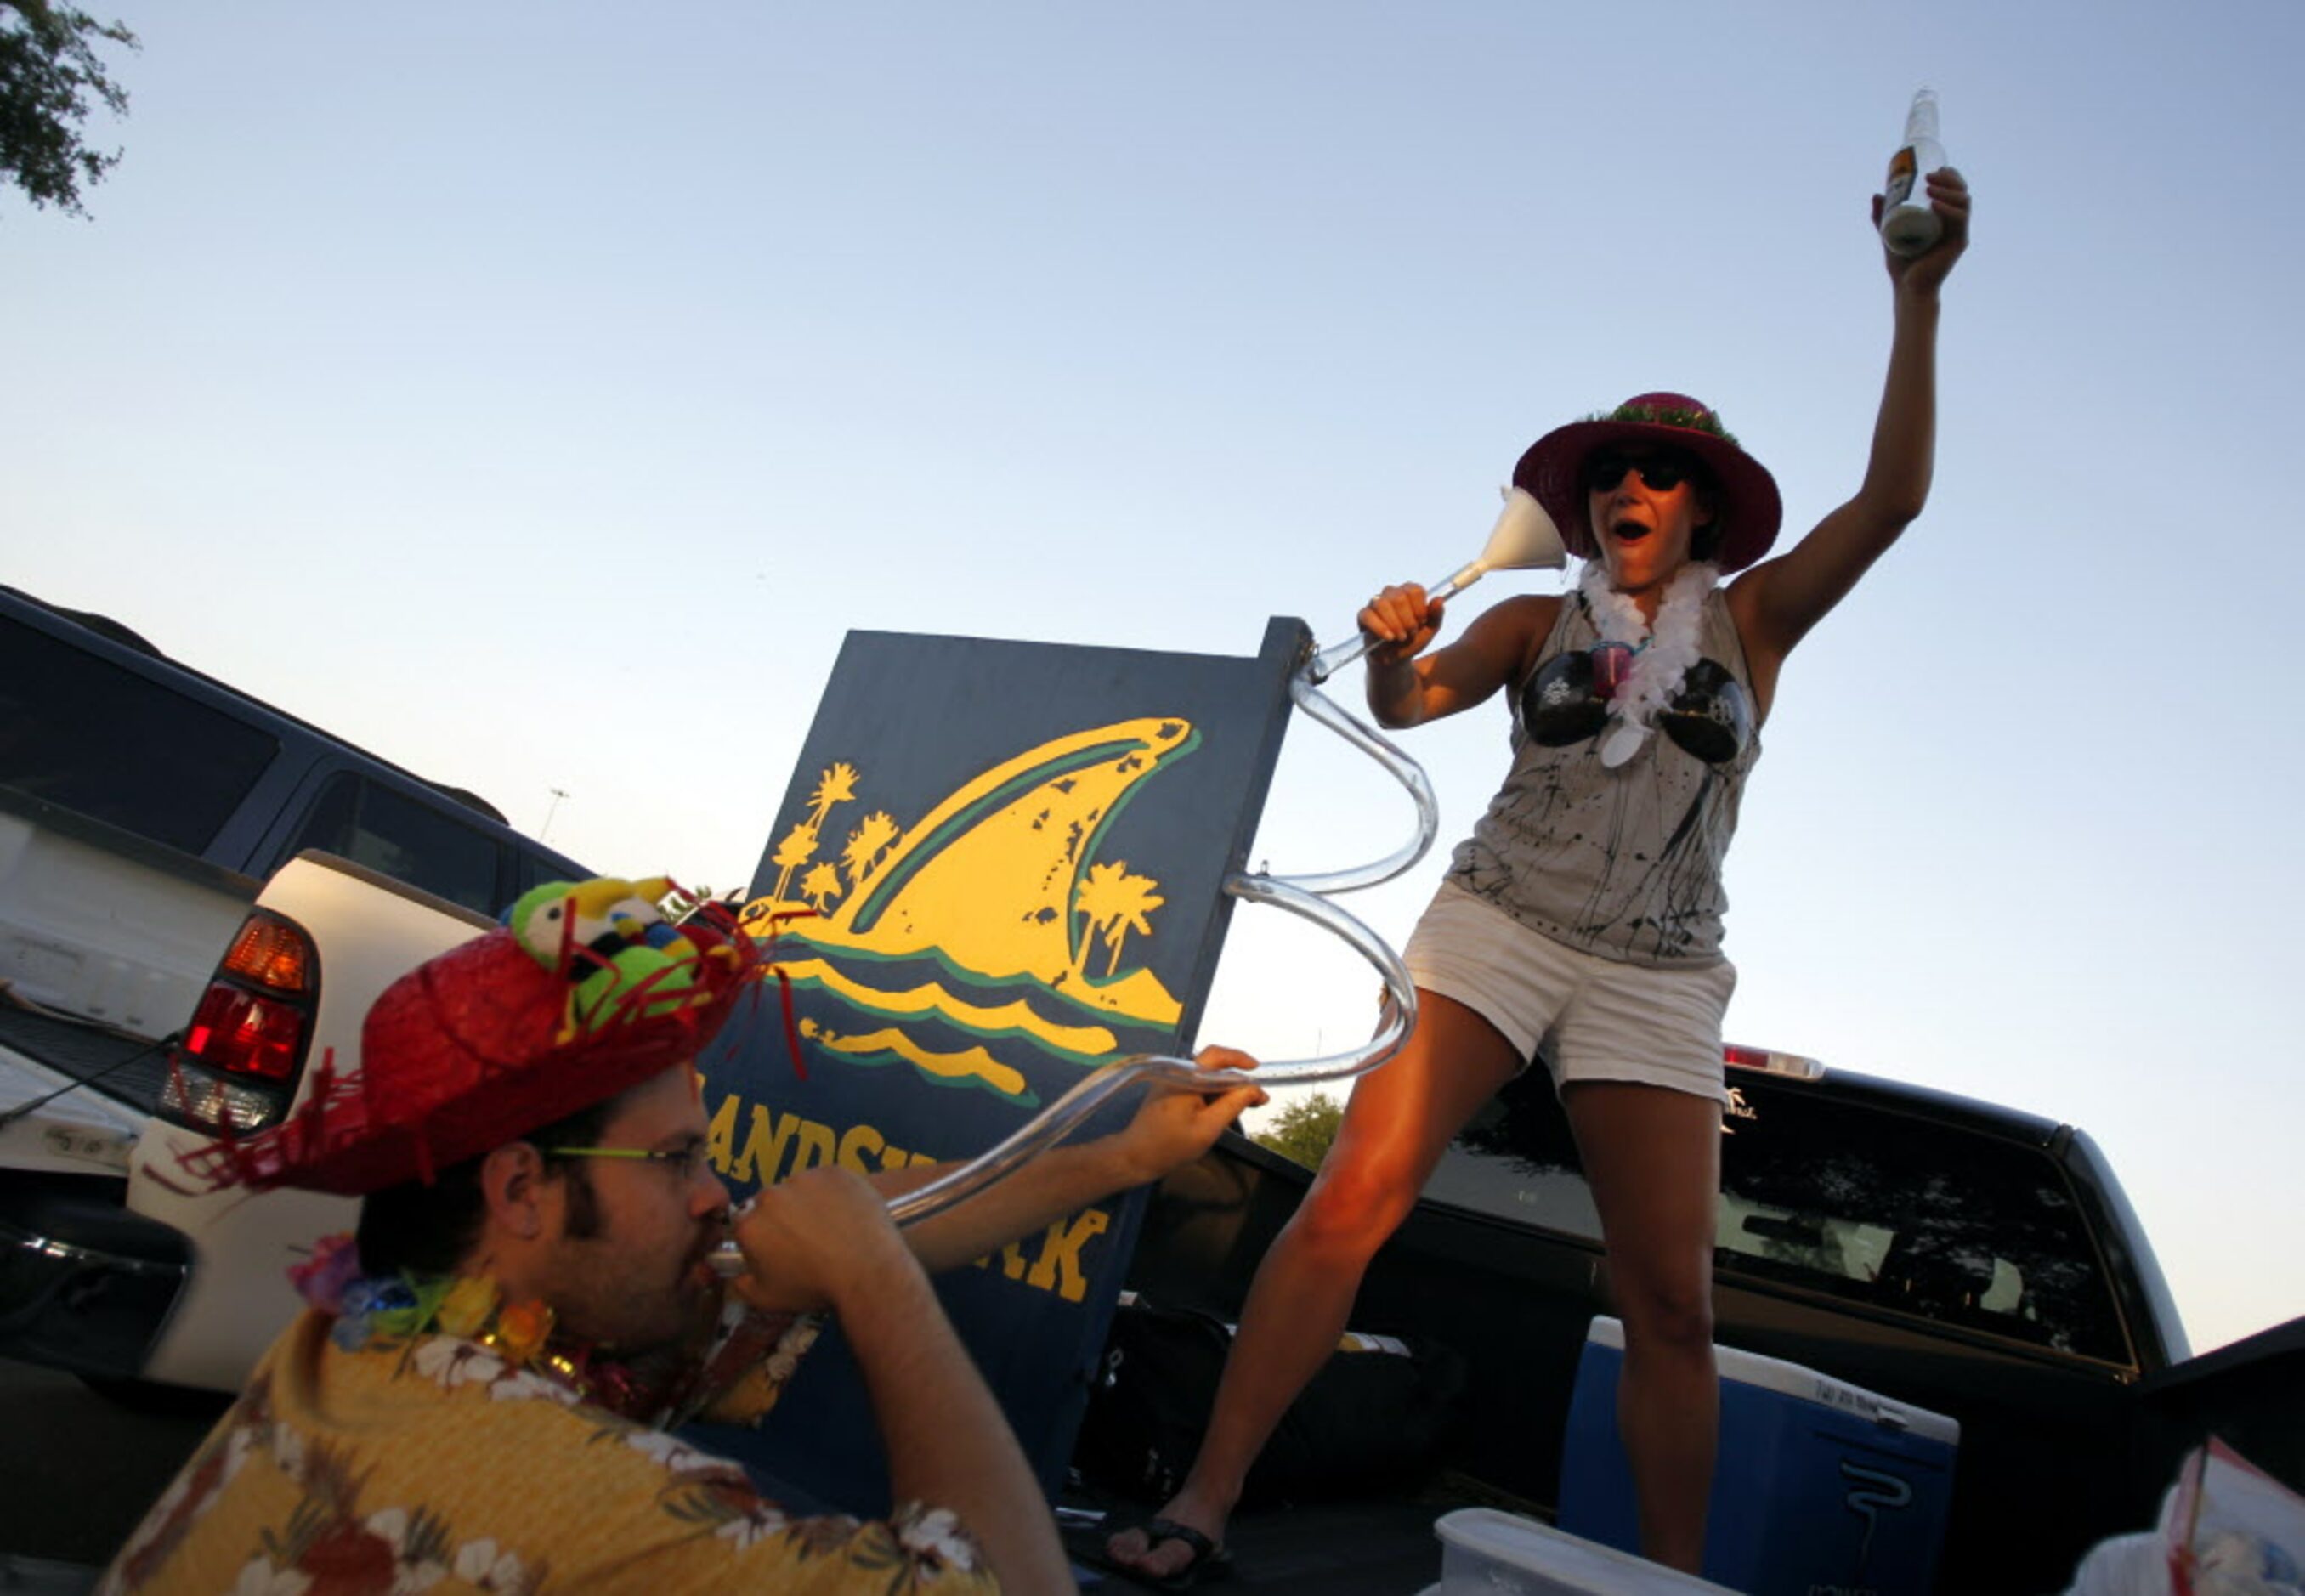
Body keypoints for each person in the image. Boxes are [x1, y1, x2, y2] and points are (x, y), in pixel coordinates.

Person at [1108, 169, 1971, 1583]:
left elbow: (1894, 498)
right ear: (1587, 506)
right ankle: (1202, 1500)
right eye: (1613, 474)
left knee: (1672, 1304)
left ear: (1703, 513)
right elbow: (1406, 701)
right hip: (1494, 925)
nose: (1634, 485)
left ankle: (1668, 1580)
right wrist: (1392, 641)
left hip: (1658, 969)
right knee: (1353, 1198)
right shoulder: (1526, 616)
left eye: (1665, 473)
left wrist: (1915, 296)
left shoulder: (1758, 618)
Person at [103, 874, 1264, 1596]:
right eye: (679, 1159)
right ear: (520, 1190)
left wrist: (1115, 1160)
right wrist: (873, 1284)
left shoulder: (367, 1344)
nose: (720, 1193)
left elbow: (858, 1228)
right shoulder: (585, 1501)